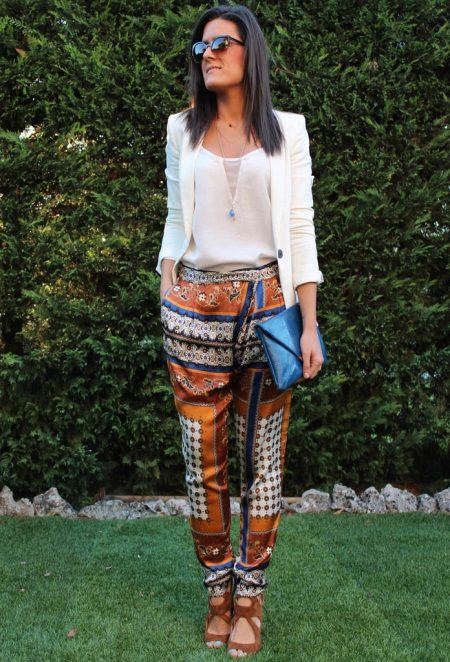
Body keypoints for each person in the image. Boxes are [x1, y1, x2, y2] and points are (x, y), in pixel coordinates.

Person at [157, 4, 324, 657]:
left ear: (250, 50)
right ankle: (217, 595)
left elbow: (301, 229)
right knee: (203, 465)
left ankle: (250, 599)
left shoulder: (288, 131)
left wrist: (310, 325)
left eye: (222, 43)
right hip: (193, 310)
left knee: (263, 464)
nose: (209, 55)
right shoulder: (182, 129)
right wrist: (167, 289)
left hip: (270, 310)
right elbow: (176, 219)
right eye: (201, 48)